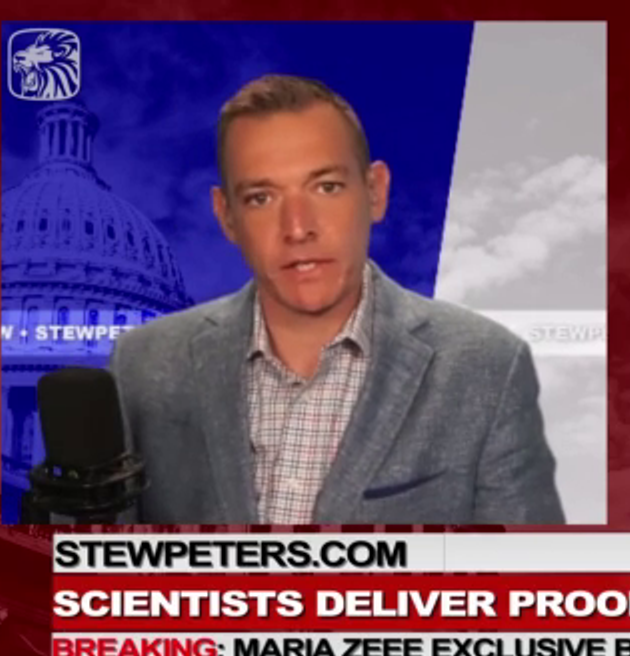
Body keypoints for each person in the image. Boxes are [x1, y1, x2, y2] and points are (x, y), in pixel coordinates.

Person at [109, 74, 565, 524]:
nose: (297, 228)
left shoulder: (487, 367)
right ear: (226, 216)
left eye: (326, 187)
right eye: (261, 198)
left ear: (375, 191)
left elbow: (527, 568)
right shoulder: (143, 366)